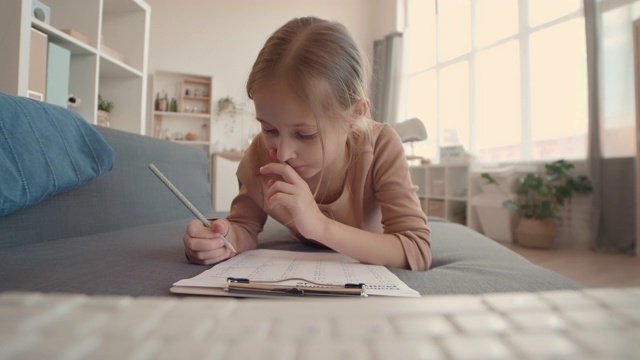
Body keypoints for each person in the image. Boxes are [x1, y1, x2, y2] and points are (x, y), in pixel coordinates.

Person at [183, 16, 431, 271]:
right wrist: (221, 239)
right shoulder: (262, 152)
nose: (282, 153)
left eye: (305, 135)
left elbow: (416, 249)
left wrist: (320, 227)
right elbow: (244, 226)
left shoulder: (381, 146)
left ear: (355, 115)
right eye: (269, 129)